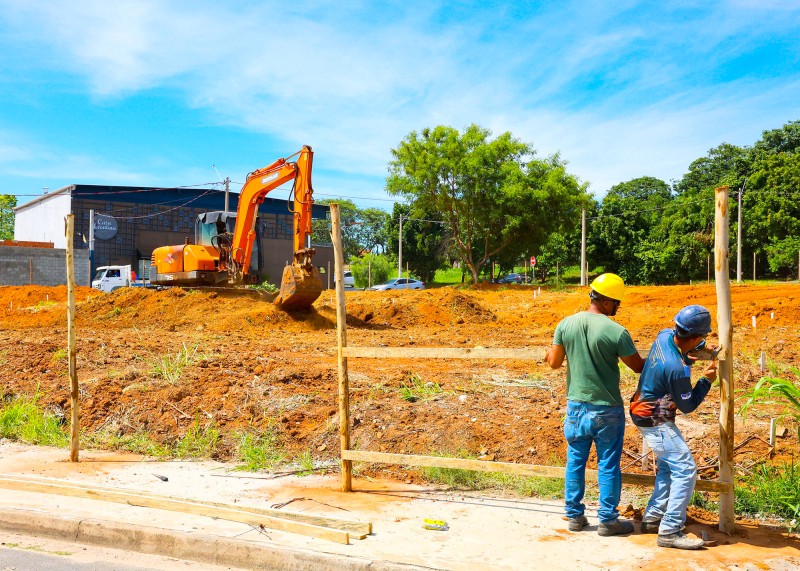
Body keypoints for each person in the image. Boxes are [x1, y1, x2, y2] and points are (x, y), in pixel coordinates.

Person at [545, 273, 645, 536]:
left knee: (575, 462)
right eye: (617, 303)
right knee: (608, 464)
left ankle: (575, 517)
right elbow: (637, 367)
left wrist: (548, 352)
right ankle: (608, 520)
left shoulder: (565, 325)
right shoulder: (617, 332)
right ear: (609, 302)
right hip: (606, 408)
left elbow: (554, 362)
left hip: (576, 407)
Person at [629, 305, 717, 550]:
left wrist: (700, 350)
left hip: (644, 410)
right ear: (698, 336)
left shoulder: (665, 335)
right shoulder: (677, 370)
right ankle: (670, 530)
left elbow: (683, 350)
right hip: (654, 417)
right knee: (686, 469)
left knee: (670, 467)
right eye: (702, 339)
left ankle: (653, 518)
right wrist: (706, 380)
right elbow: (687, 405)